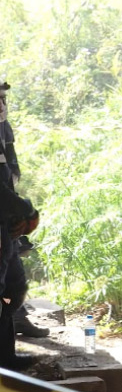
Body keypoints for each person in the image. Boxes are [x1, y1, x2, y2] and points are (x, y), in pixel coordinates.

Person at [0, 84, 48, 339]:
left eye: (3, 98)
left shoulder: (4, 126)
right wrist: (25, 209)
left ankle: (14, 320)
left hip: (6, 214)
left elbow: (10, 169)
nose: (1, 105)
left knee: (15, 282)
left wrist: (16, 211)